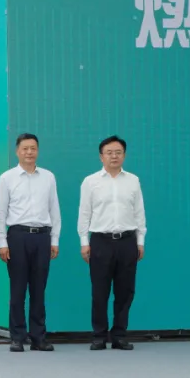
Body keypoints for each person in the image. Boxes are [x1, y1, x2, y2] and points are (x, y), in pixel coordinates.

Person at [78, 135, 146, 351]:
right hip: (101, 241)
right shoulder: (90, 182)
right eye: (109, 153)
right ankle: (99, 335)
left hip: (127, 241)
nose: (114, 156)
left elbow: (139, 212)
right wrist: (84, 241)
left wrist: (140, 241)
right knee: (100, 291)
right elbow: (84, 213)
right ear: (101, 156)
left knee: (125, 291)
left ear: (124, 155)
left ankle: (119, 335)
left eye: (118, 152)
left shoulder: (133, 180)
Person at [0, 133, 60, 352]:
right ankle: (17, 336)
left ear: (38, 151)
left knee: (39, 289)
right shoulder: (7, 178)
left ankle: (38, 337)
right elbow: (0, 213)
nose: (29, 152)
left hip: (42, 236)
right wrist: (2, 242)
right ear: (17, 151)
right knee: (18, 289)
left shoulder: (48, 177)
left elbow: (54, 209)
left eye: (33, 148)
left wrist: (54, 239)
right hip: (17, 236)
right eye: (25, 148)